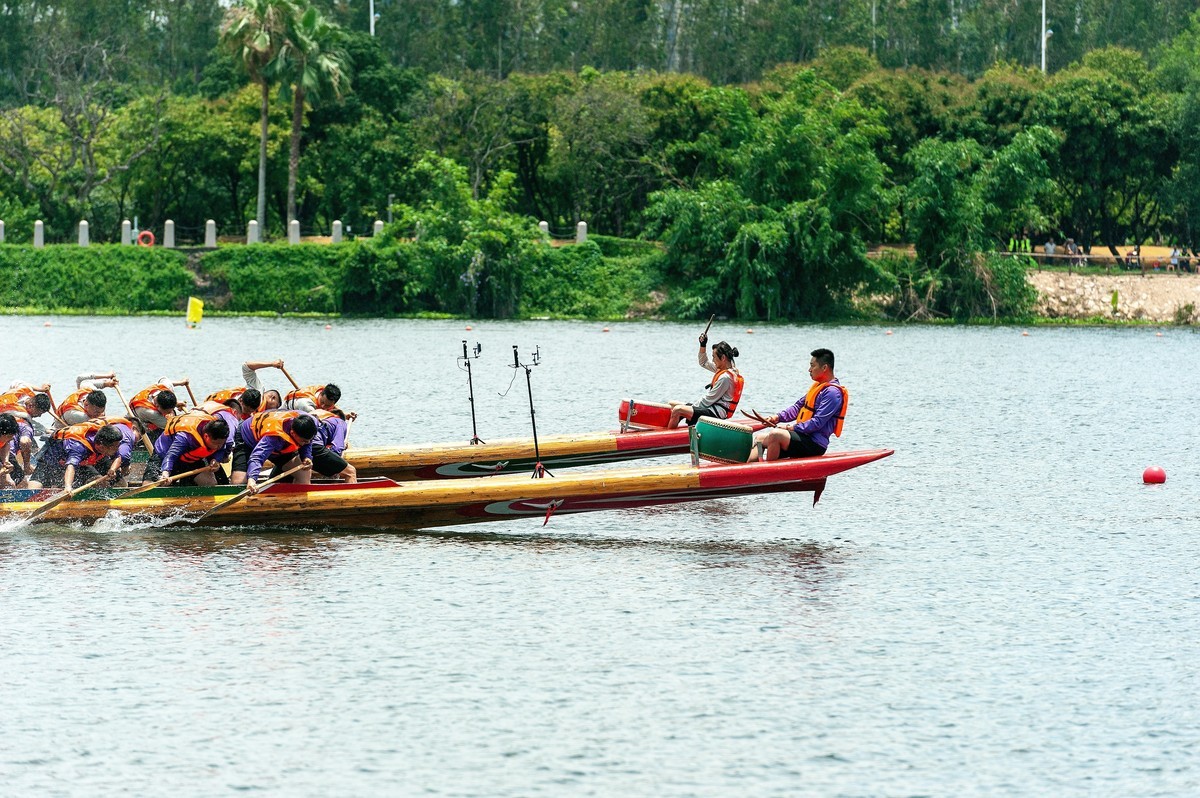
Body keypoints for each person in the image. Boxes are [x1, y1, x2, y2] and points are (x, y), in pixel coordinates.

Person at [748, 348, 848, 462]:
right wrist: (777, 417)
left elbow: (818, 422)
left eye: (812, 366)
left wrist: (790, 427)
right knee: (759, 439)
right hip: (803, 436)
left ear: (824, 368)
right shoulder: (818, 387)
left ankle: (767, 474)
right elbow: (797, 408)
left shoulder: (833, 393)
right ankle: (747, 471)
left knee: (775, 435)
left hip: (814, 443)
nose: (809, 369)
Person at [667, 335, 744, 428]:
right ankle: (667, 428)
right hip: (711, 408)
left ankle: (666, 438)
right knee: (672, 404)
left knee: (678, 410)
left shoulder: (726, 378)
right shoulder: (724, 368)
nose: (713, 360)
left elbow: (707, 401)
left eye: (714, 357)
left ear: (723, 358)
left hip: (716, 414)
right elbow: (703, 362)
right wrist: (703, 345)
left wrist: (690, 408)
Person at [229, 410, 316, 492]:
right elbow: (257, 457)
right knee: (239, 483)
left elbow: (308, 443)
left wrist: (306, 457)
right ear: (293, 433)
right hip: (248, 440)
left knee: (304, 474)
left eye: (309, 440)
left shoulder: (308, 425)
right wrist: (252, 479)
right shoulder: (273, 437)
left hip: (279, 446)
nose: (307, 443)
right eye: (304, 441)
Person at [27, 422, 124, 490]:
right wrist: (68, 487)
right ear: (101, 446)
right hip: (52, 460)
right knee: (35, 488)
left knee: (100, 482)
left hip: (81, 463)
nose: (118, 448)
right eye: (115, 447)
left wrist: (112, 469)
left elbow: (118, 457)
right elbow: (71, 466)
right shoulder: (78, 446)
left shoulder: (109, 441)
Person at [143, 412, 230, 487]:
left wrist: (215, 460)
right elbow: (171, 456)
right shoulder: (185, 437)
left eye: (221, 444)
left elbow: (221, 450)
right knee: (150, 486)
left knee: (210, 483)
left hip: (190, 459)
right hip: (164, 455)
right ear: (206, 436)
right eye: (216, 444)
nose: (219, 447)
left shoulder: (218, 434)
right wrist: (165, 473)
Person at [310, 408, 357, 483]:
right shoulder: (340, 422)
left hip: (303, 445)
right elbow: (337, 448)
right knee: (351, 472)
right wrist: (336, 466)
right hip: (314, 446)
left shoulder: (323, 418)